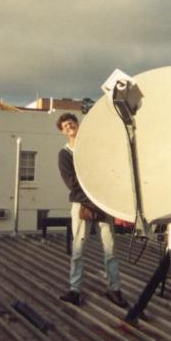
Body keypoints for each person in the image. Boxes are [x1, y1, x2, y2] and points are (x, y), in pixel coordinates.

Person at [56, 112, 128, 307]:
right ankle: (75, 290)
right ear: (63, 132)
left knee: (110, 247)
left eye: (72, 123)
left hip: (103, 202)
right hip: (83, 204)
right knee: (78, 248)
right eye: (65, 126)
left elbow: (106, 172)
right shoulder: (65, 155)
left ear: (78, 125)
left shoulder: (92, 148)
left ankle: (114, 289)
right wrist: (93, 199)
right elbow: (72, 183)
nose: (70, 127)